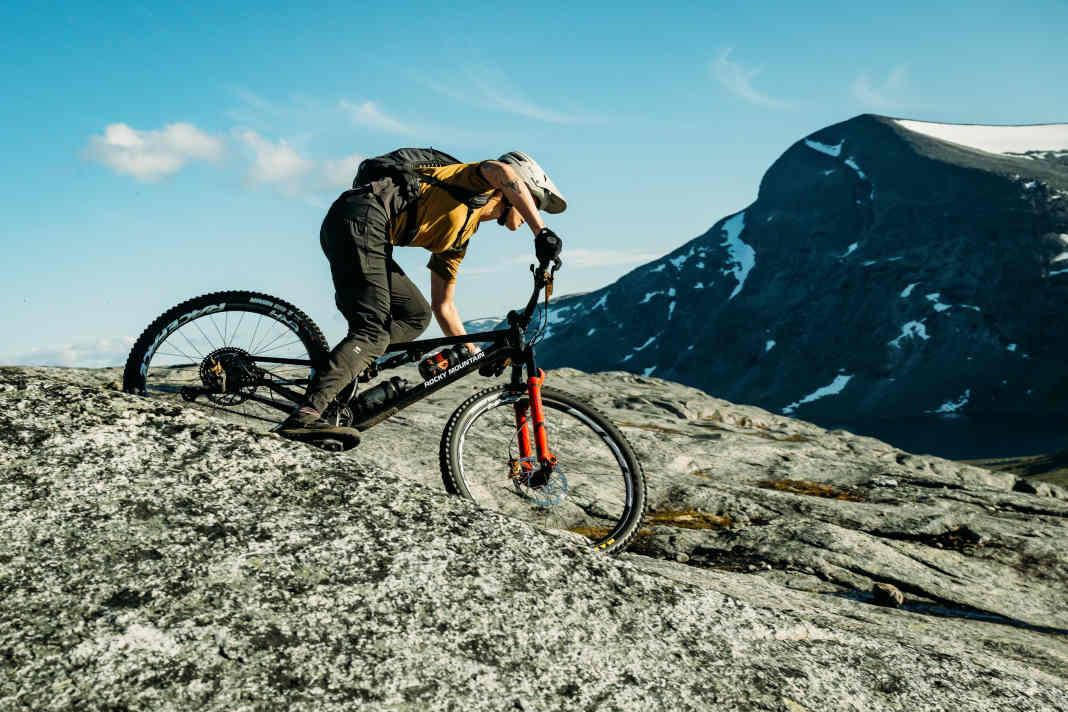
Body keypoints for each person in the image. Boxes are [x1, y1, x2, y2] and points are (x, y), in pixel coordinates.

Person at [277, 150, 566, 439]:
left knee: (417, 315)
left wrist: (476, 355)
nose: (533, 212)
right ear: (520, 191)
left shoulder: (460, 237)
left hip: (364, 231)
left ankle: (350, 365)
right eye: (535, 203)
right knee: (372, 333)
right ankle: (307, 414)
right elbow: (503, 172)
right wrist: (540, 232)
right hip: (361, 218)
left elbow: (444, 306)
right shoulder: (473, 185)